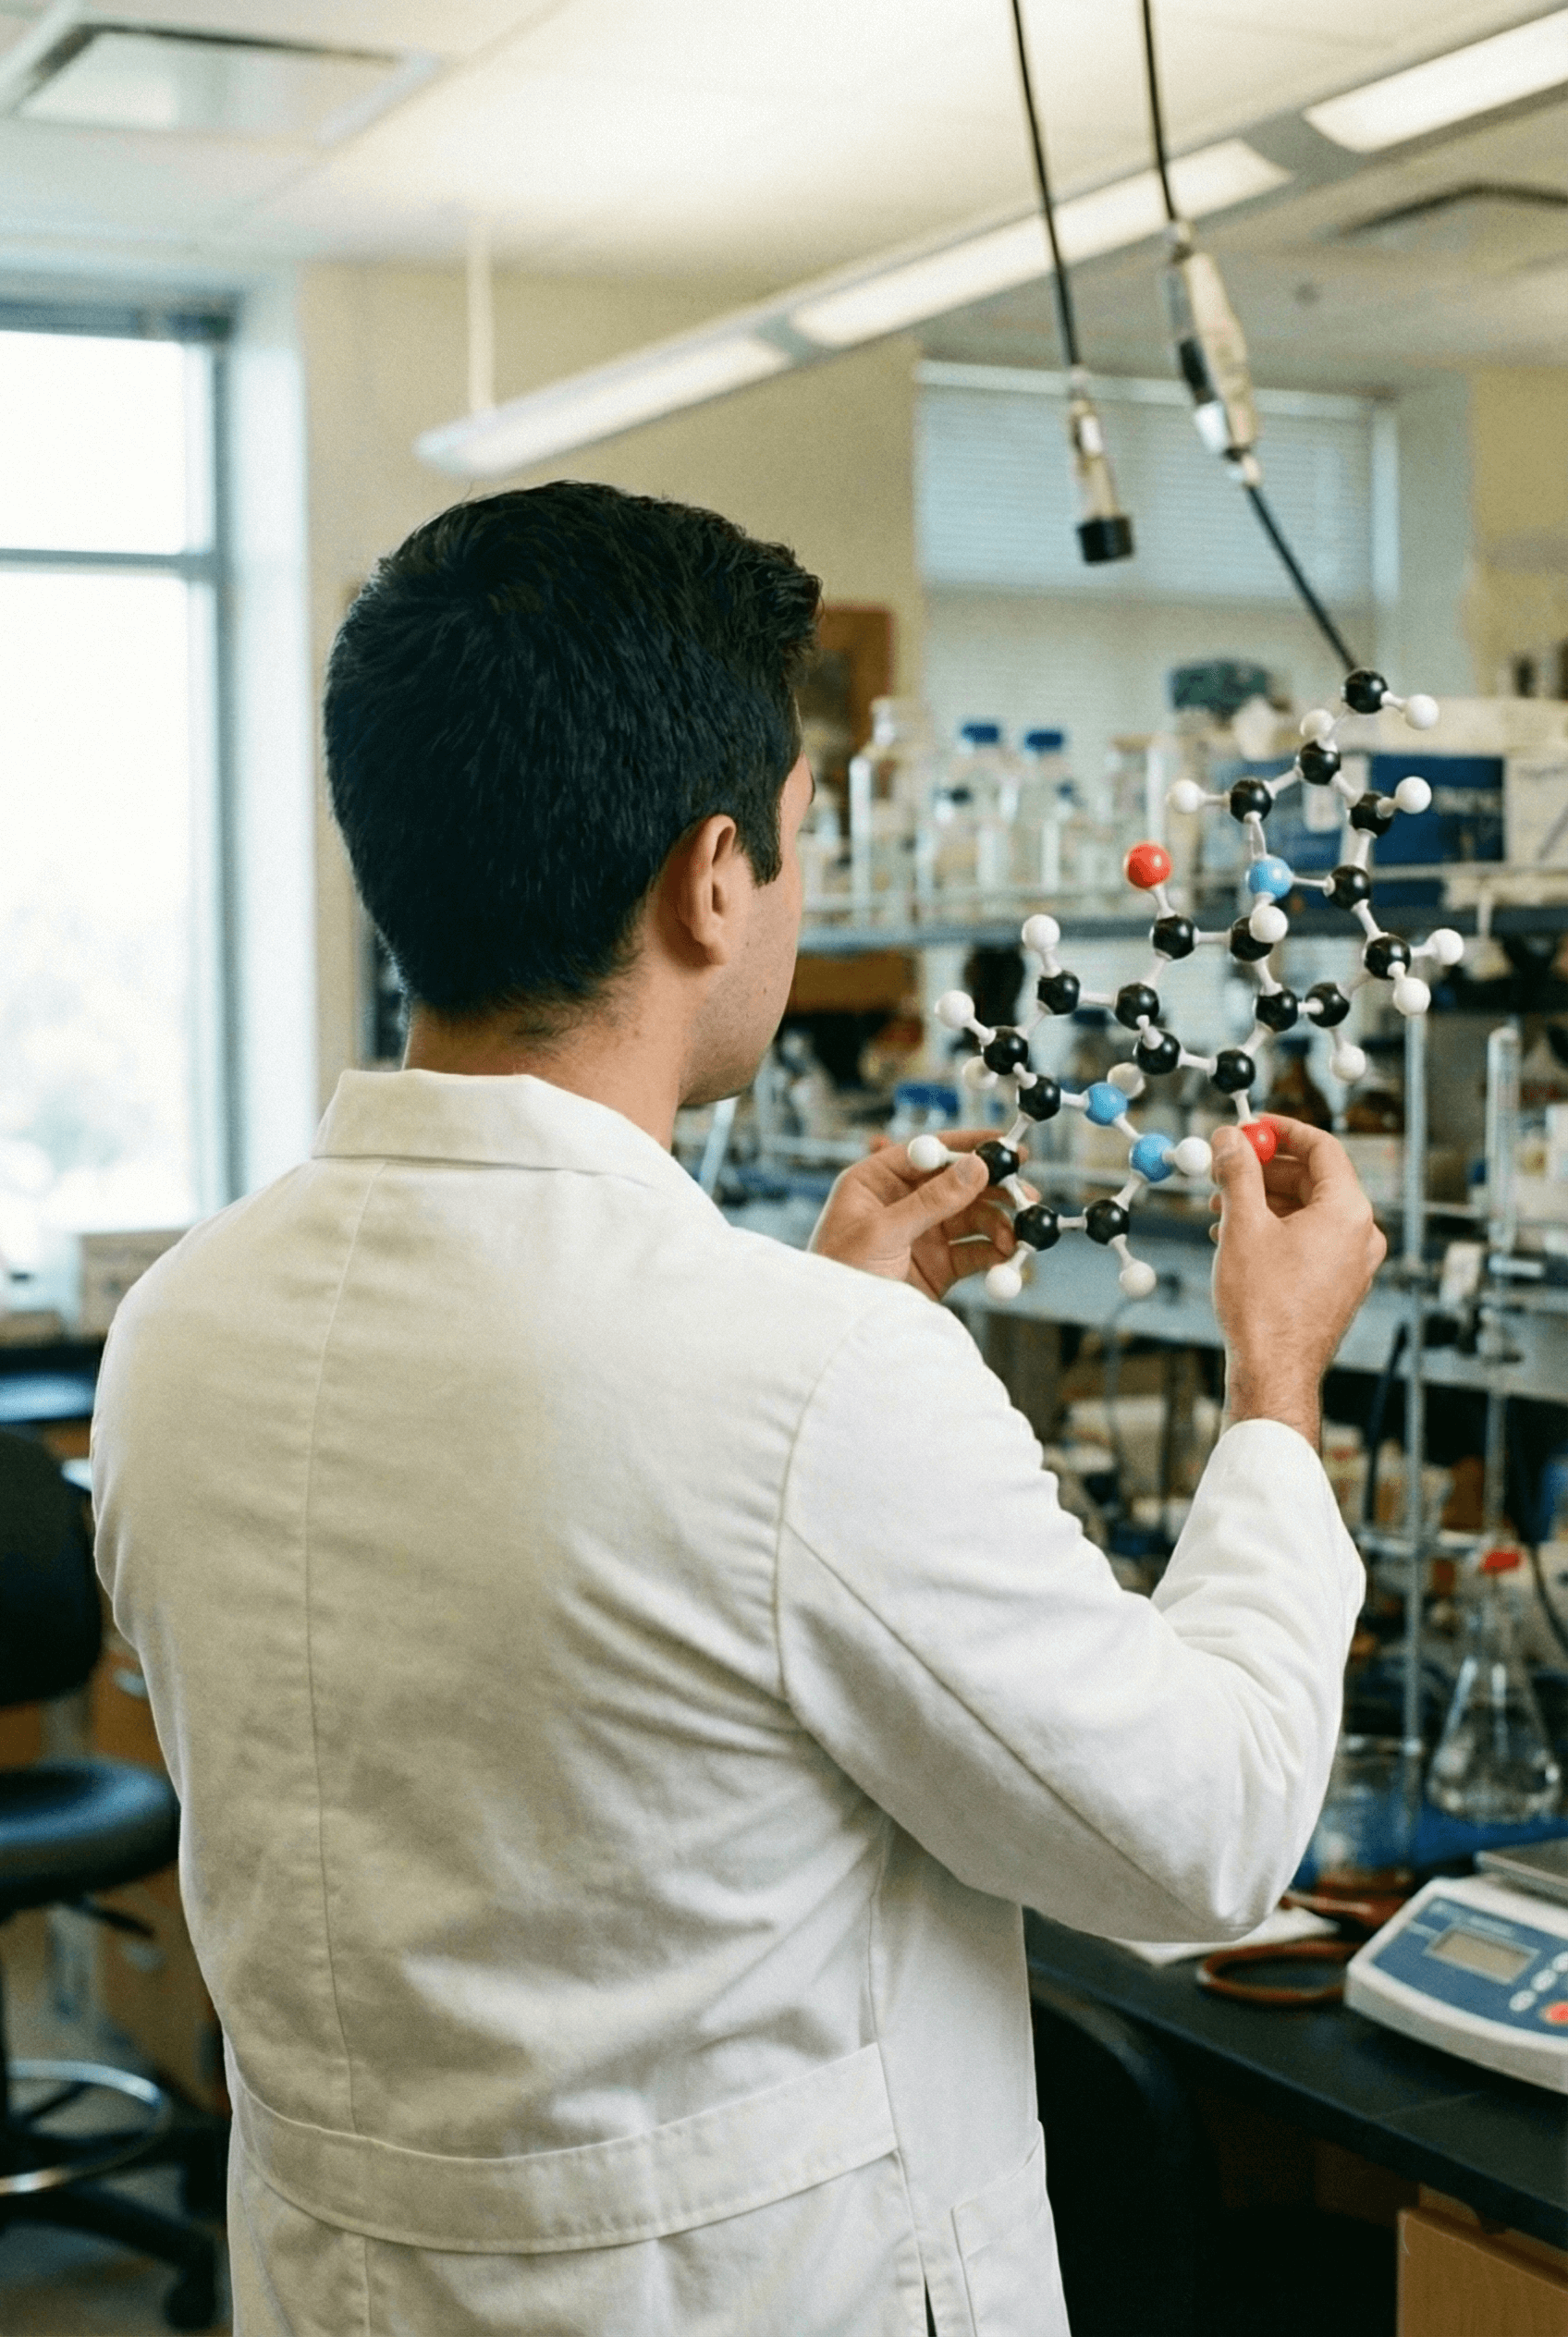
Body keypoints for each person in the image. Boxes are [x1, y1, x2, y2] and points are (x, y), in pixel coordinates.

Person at [92, 483, 1383, 2337]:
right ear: (711, 878)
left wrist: (830, 1341)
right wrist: (1273, 1387)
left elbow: (549, 1721)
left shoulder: (181, 1324)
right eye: (785, 843)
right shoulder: (800, 1383)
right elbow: (1195, 1839)